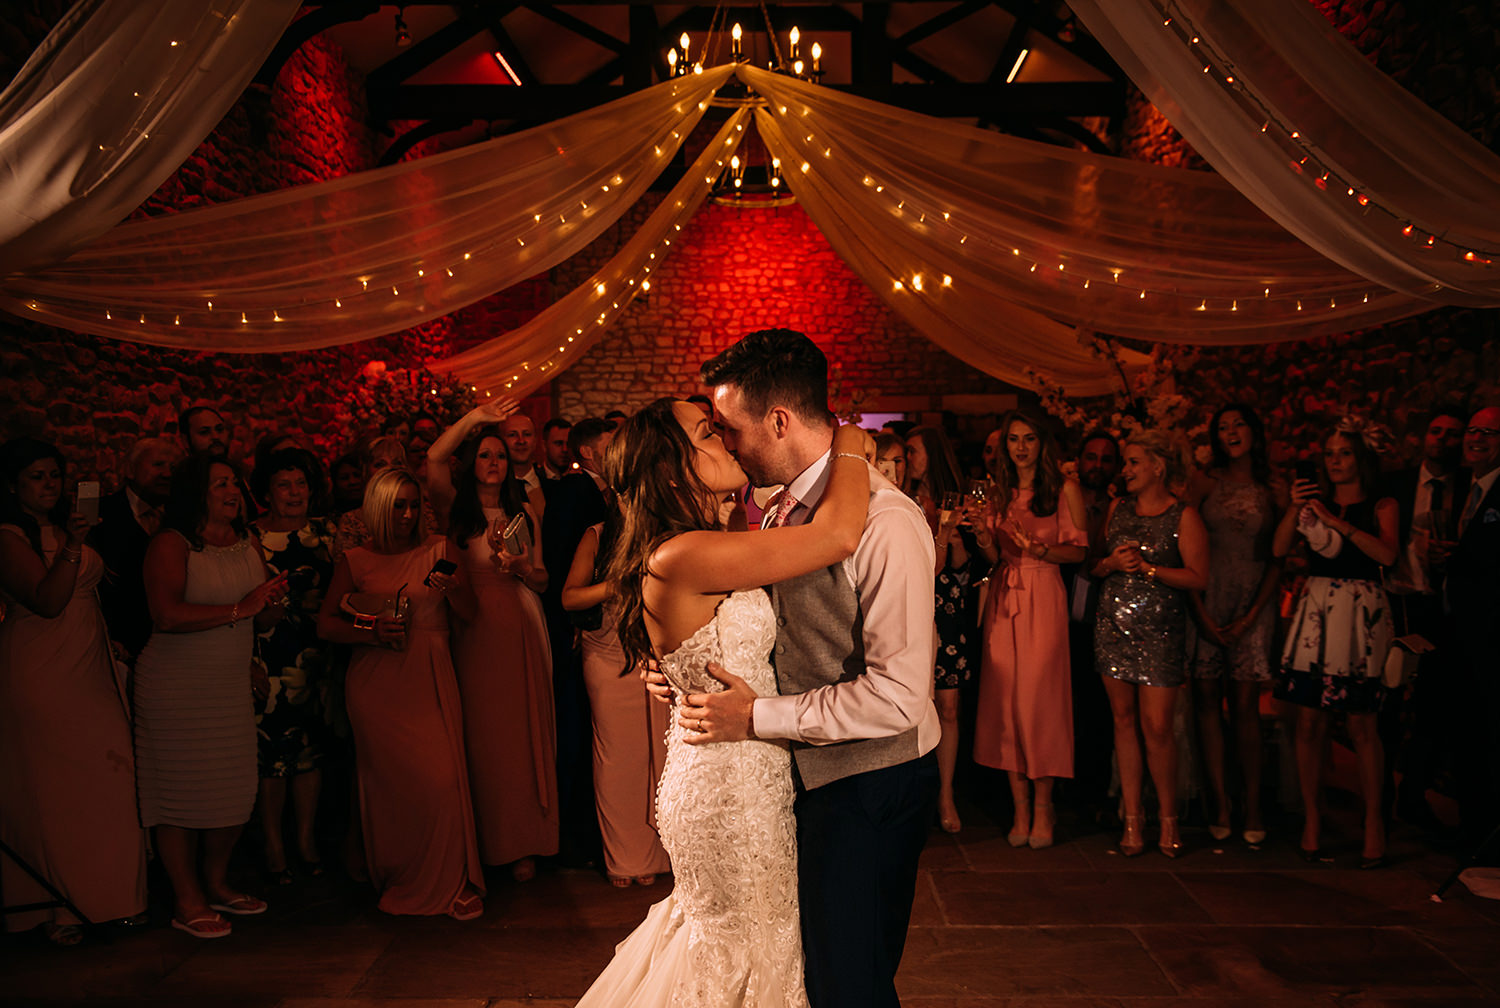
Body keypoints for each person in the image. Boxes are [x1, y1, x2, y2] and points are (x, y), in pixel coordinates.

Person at [575, 393, 874, 1008]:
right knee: (742, 952)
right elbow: (840, 534)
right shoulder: (684, 553)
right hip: (728, 789)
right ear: (672, 465)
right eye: (708, 435)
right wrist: (847, 437)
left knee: (753, 948)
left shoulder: (710, 538)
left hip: (745, 766)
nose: (727, 441)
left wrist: (671, 675)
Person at [675, 328, 940, 1008]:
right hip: (796, 779)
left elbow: (899, 698)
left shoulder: (885, 523)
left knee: (851, 985)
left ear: (779, 420)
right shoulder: (774, 513)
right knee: (814, 975)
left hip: (871, 784)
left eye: (730, 429)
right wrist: (686, 671)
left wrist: (756, 717)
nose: (727, 444)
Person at [316, 468, 484, 918]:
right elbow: (326, 623)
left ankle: (451, 881)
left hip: (429, 674)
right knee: (391, 786)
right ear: (377, 509)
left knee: (442, 780)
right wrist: (370, 629)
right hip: (377, 683)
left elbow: (471, 614)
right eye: (398, 506)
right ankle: (400, 875)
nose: (409, 515)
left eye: (414, 504)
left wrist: (453, 591)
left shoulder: (440, 549)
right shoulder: (355, 560)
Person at [0, 439, 148, 945]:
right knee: (55, 791)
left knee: (111, 778)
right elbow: (46, 600)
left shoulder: (67, 527)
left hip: (87, 662)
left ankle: (111, 898)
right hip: (41, 668)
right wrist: (71, 546)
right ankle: (60, 907)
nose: (49, 485)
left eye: (54, 476)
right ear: (14, 484)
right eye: (37, 476)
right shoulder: (8, 536)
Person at [135, 454, 288, 937]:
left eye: (234, 484)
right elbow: (166, 615)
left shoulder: (248, 544)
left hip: (227, 684)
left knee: (234, 788)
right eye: (220, 483)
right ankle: (186, 898)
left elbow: (258, 618)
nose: (232, 492)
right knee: (179, 793)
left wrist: (272, 606)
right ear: (196, 492)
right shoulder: (171, 544)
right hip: (177, 686)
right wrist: (242, 607)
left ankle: (217, 882)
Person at [429, 406, 557, 881]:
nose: (494, 462)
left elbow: (543, 580)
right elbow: (434, 458)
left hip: (519, 622)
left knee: (520, 735)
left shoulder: (523, 513)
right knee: (482, 735)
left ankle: (525, 841)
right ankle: (483, 840)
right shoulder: (454, 510)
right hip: (471, 627)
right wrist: (475, 418)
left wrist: (521, 568)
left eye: (500, 456)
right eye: (485, 454)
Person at [1272, 418, 1398, 868]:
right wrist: (1295, 508)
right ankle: (1311, 817)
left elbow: (1387, 554)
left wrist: (1335, 523)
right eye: (1329, 453)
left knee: (1363, 726)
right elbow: (1278, 547)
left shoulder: (1380, 504)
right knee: (1307, 723)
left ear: (1361, 457)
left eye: (1343, 452)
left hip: (1360, 613)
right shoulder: (1314, 504)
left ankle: (1373, 823)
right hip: (1318, 611)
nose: (1335, 461)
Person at [972, 411, 1088, 849]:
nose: (1020, 447)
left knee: (1040, 700)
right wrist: (983, 533)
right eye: (1014, 440)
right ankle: (1018, 806)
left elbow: (1080, 553)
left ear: (1043, 444)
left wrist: (1039, 547)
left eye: (1029, 439)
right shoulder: (999, 492)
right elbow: (989, 554)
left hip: (1043, 590)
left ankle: (1044, 805)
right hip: (1005, 591)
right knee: (1004, 700)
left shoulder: (1064, 489)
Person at [1092, 430, 1209, 858]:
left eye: (1133, 462)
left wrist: (1148, 569)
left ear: (1157, 467)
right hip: (1113, 628)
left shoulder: (1184, 516)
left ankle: (1168, 819)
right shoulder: (1117, 509)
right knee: (1122, 722)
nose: (1125, 470)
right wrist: (1110, 564)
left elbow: (1199, 577)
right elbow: (1095, 566)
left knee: (1158, 729)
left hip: (1159, 634)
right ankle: (1132, 820)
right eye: (1125, 463)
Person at [1185, 404, 1282, 846]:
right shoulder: (1205, 481)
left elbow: (1279, 557)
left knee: (1245, 707)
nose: (1230, 432)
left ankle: (1255, 806)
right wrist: (1201, 613)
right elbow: (1182, 541)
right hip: (1207, 597)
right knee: (1205, 701)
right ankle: (1220, 803)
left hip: (1254, 600)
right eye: (1222, 427)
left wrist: (1253, 613)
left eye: (1238, 423)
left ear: (1254, 431)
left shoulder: (1273, 486)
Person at [561, 500, 671, 888]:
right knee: (617, 760)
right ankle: (624, 857)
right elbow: (569, 597)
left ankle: (663, 853)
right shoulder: (597, 535)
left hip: (656, 653)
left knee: (660, 753)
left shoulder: (666, 528)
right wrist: (614, 585)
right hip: (607, 655)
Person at [248, 448, 336, 883]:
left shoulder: (329, 532)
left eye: (300, 483)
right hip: (269, 654)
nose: (294, 492)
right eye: (284, 485)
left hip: (319, 654)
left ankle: (306, 840)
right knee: (272, 756)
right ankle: (274, 845)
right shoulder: (250, 537)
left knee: (310, 752)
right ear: (267, 491)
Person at [1380, 405, 1465, 828]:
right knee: (1387, 703)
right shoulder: (1397, 483)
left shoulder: (1468, 488)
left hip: (1443, 606)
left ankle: (1413, 794)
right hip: (1398, 602)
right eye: (1436, 431)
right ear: (1424, 436)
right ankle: (1379, 799)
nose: (1443, 440)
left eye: (1453, 433)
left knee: (1434, 707)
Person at [905, 425, 976, 836]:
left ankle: (946, 794)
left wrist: (953, 534)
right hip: (914, 603)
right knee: (914, 702)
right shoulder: (901, 500)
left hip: (947, 605)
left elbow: (966, 566)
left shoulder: (954, 501)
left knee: (949, 705)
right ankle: (917, 793)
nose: (908, 461)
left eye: (912, 452)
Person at [1442, 406, 1500, 851]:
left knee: (1487, 728)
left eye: (1489, 433)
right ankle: (1471, 823)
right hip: (1455, 625)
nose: (1476, 439)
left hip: (1490, 629)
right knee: (1463, 726)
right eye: (1473, 431)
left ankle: (1485, 831)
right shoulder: (1461, 487)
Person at [88, 436, 179, 662]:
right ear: (129, 469)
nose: (167, 474)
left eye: (173, 467)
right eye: (158, 465)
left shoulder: (183, 519)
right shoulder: (99, 516)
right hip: (114, 647)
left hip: (173, 647)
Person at [539, 417, 573, 482]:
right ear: (544, 446)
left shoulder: (582, 480)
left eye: (568, 444)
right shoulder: (535, 480)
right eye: (558, 443)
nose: (565, 449)